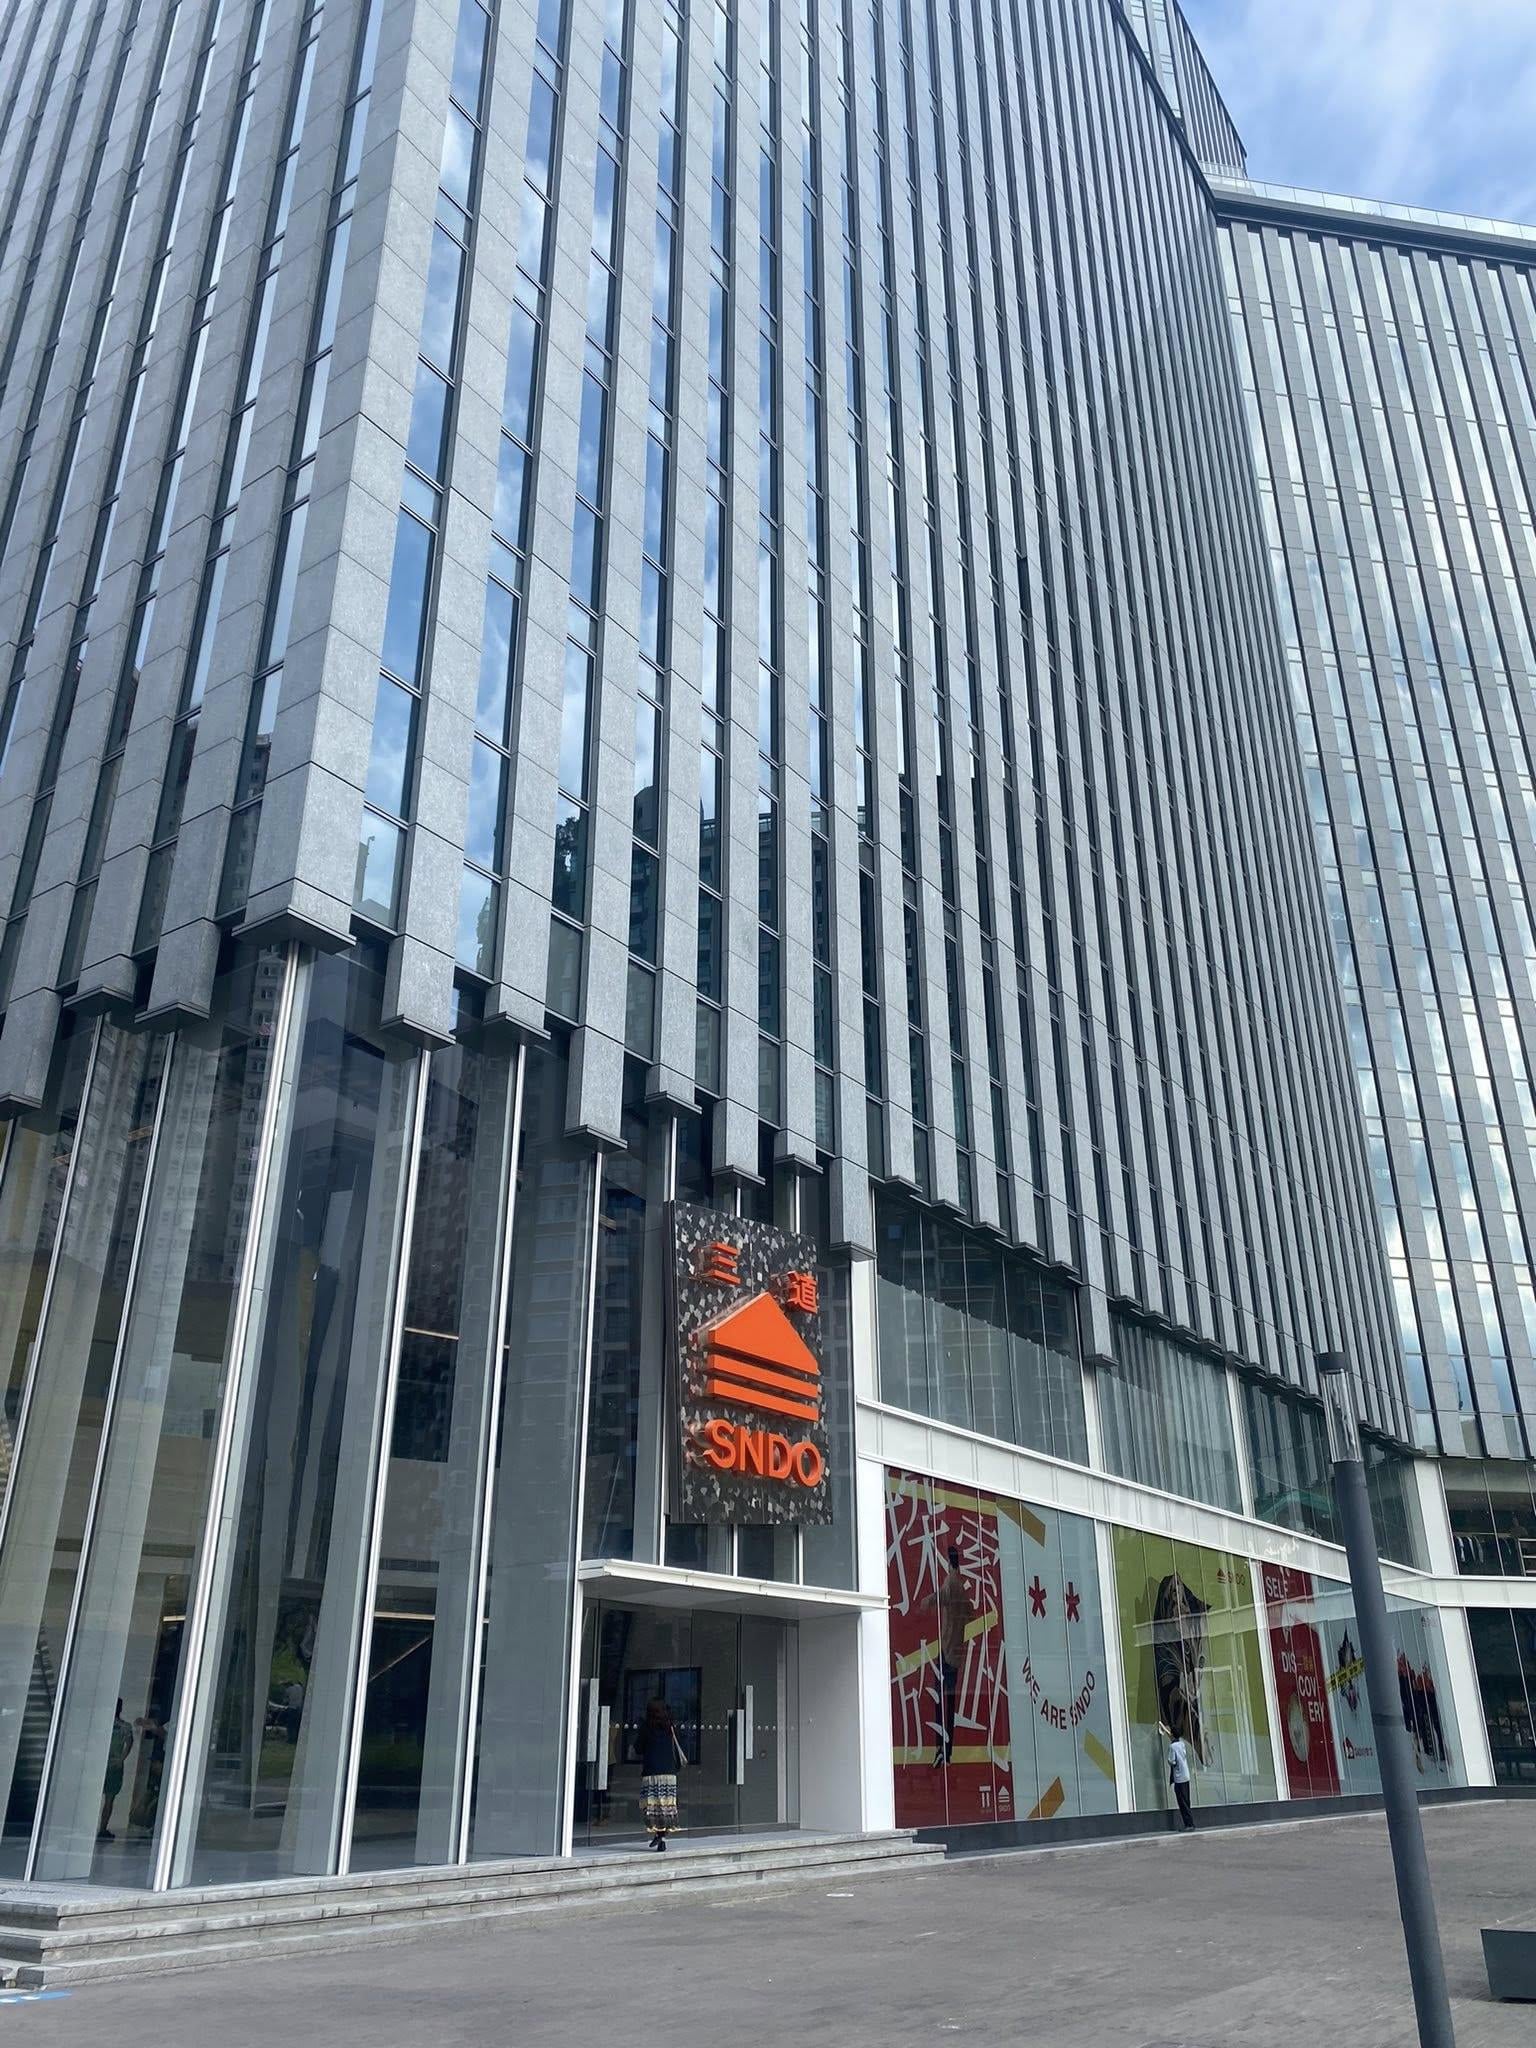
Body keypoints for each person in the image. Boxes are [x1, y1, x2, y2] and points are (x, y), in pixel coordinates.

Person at [935, 1544, 974, 1767]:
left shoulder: (950, 1583)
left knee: (941, 1699)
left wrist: (924, 1603)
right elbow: (970, 1612)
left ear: (948, 1563)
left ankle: (943, 1750)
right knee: (948, 1700)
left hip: (947, 1650)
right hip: (954, 1652)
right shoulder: (959, 1584)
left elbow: (938, 1598)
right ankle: (947, 1752)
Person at [638, 1696, 686, 1851]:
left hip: (652, 1772)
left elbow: (638, 1748)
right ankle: (662, 1837)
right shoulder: (670, 1727)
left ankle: (659, 1835)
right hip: (669, 1773)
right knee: (666, 1806)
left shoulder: (646, 1728)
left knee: (652, 1806)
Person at [99, 1700, 134, 1843]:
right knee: (109, 1799)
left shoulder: (103, 1724)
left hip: (106, 1764)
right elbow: (129, 1743)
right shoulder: (124, 1726)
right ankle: (102, 1829)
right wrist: (121, 1759)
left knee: (107, 1798)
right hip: (113, 1764)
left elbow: (129, 1743)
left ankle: (101, 1829)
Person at [1167, 1728, 1195, 1830]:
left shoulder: (1172, 1746)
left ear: (1172, 1734)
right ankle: (1190, 1823)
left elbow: (1172, 1761)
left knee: (1182, 1802)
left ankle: (1189, 1825)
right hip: (1186, 1775)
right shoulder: (1182, 1744)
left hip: (1179, 1778)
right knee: (1186, 1801)